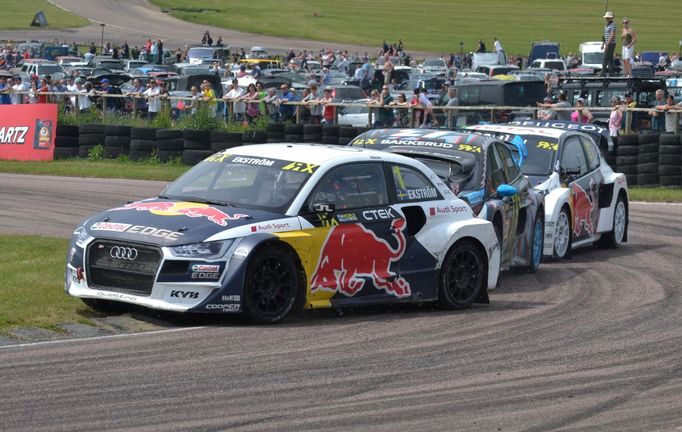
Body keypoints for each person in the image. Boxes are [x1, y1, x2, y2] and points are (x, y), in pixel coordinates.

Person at [601, 11, 617, 76]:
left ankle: (603, 72)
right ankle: (611, 72)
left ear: (611, 18)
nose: (607, 19)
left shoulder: (613, 25)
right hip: (608, 43)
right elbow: (605, 35)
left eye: (608, 18)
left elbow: (612, 35)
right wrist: (603, 43)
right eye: (606, 18)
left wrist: (607, 44)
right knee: (610, 58)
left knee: (605, 58)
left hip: (611, 44)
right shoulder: (606, 25)